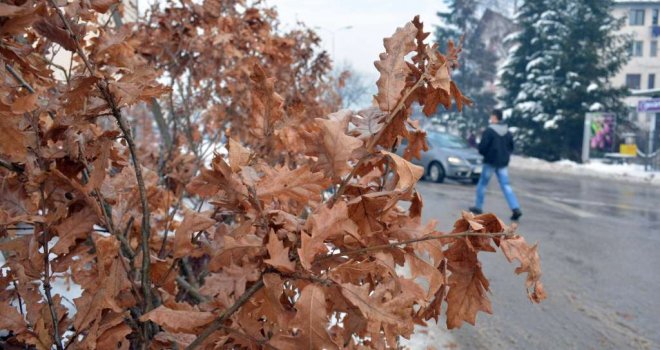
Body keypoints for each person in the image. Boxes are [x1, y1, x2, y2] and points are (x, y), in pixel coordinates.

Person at [469, 109, 522, 221]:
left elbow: (482, 147)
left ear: (494, 117)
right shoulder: (507, 131)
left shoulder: (489, 131)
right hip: (503, 163)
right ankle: (515, 208)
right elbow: (511, 147)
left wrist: (484, 153)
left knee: (482, 184)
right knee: (506, 186)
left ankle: (478, 207)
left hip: (490, 162)